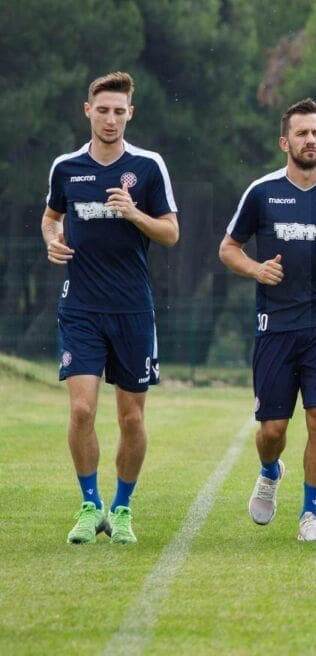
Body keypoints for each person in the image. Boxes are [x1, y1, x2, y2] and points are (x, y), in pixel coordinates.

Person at [219, 98, 316, 542]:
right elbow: (228, 248)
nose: (311, 140)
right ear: (285, 141)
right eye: (303, 133)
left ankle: (310, 514)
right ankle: (270, 471)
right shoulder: (262, 192)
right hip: (275, 326)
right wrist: (256, 269)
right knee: (272, 430)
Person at [44, 71, 179, 545]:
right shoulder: (66, 167)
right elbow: (51, 216)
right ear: (88, 110)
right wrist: (51, 240)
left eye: (119, 111)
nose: (110, 118)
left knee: (131, 419)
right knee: (81, 410)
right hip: (80, 306)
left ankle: (120, 509)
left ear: (130, 114)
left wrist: (134, 213)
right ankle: (88, 504)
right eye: (102, 109)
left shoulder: (147, 167)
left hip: (132, 309)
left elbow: (170, 233)